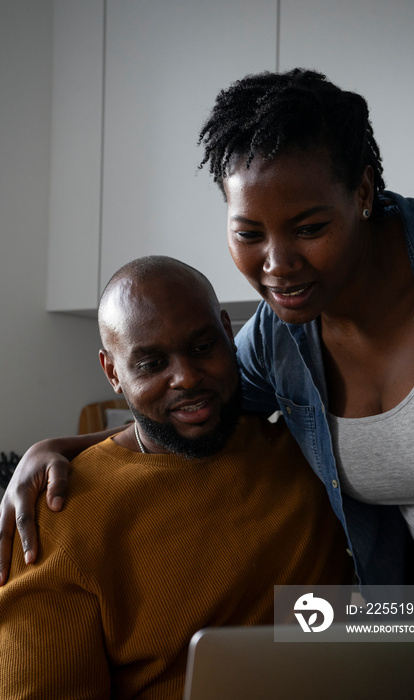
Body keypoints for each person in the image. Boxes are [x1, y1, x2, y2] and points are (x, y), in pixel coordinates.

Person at [1, 68, 414, 587]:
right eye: (249, 233)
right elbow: (196, 405)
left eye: (310, 229)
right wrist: (59, 448)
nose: (278, 264)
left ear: (361, 191)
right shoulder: (278, 338)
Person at [0, 256, 351, 699]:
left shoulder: (307, 453)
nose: (186, 377)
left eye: (203, 347)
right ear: (113, 373)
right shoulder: (58, 512)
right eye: (151, 364)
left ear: (228, 332)